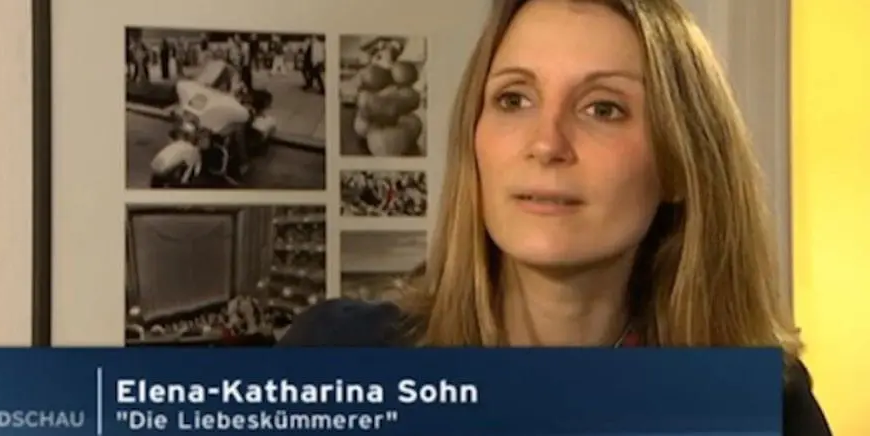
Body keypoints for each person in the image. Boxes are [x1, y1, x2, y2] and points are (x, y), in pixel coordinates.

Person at [278, 0, 831, 435]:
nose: (546, 144)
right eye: (514, 99)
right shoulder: (333, 359)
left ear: (679, 166)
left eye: (603, 108)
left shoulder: (765, 406)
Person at [149, 123, 203, 188]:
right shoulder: (192, 150)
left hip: (157, 171)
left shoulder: (177, 144)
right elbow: (195, 171)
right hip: (168, 176)